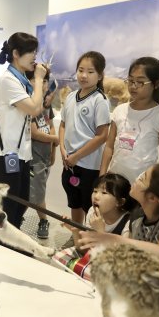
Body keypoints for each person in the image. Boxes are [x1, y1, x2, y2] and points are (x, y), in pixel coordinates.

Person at [73, 163, 159, 272]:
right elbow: (125, 254)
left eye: (142, 179)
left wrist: (111, 239)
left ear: (152, 198)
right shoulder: (137, 215)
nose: (137, 179)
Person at [0, 32, 47, 229]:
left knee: (22, 199)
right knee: (11, 205)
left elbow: (37, 108)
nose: (35, 56)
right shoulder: (9, 81)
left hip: (20, 153)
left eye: (35, 51)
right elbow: (33, 108)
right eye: (31, 51)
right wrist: (39, 80)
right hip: (7, 153)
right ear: (16, 53)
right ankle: (7, 246)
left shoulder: (20, 79)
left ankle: (12, 241)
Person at [100, 57, 159, 184]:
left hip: (142, 185)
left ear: (156, 84)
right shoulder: (119, 110)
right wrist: (102, 175)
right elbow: (109, 146)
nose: (133, 86)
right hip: (115, 182)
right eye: (130, 80)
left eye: (140, 82)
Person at [59, 51, 110, 225]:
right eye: (81, 70)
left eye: (90, 71)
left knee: (90, 205)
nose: (84, 75)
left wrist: (77, 156)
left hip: (89, 165)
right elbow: (63, 125)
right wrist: (63, 150)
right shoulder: (71, 97)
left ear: (100, 75)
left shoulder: (100, 100)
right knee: (74, 201)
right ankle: (77, 233)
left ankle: (89, 239)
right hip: (69, 163)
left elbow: (102, 136)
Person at [54, 173, 135, 278]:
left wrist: (100, 232)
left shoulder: (128, 221)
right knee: (59, 256)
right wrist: (75, 231)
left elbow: (121, 258)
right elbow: (83, 250)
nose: (96, 196)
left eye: (104, 193)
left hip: (114, 267)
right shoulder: (92, 212)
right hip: (95, 257)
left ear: (120, 202)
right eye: (95, 191)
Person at [28, 68, 59, 238]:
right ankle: (43, 220)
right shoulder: (30, 105)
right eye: (38, 80)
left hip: (45, 156)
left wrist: (53, 150)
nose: (43, 83)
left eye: (46, 81)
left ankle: (18, 216)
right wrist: (54, 140)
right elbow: (35, 133)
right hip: (34, 158)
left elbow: (51, 125)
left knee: (35, 191)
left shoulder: (47, 105)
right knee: (38, 193)